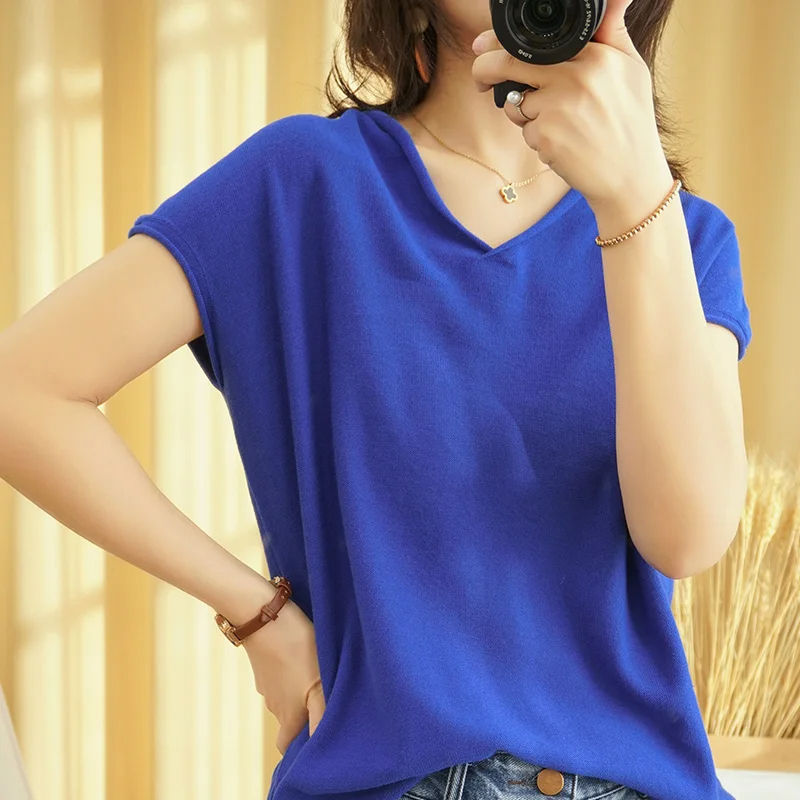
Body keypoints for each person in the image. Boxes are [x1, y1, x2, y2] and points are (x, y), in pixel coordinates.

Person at [0, 1, 752, 799]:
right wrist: (253, 611)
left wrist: (635, 199)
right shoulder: (301, 182)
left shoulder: (683, 237)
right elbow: (23, 390)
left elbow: (686, 538)